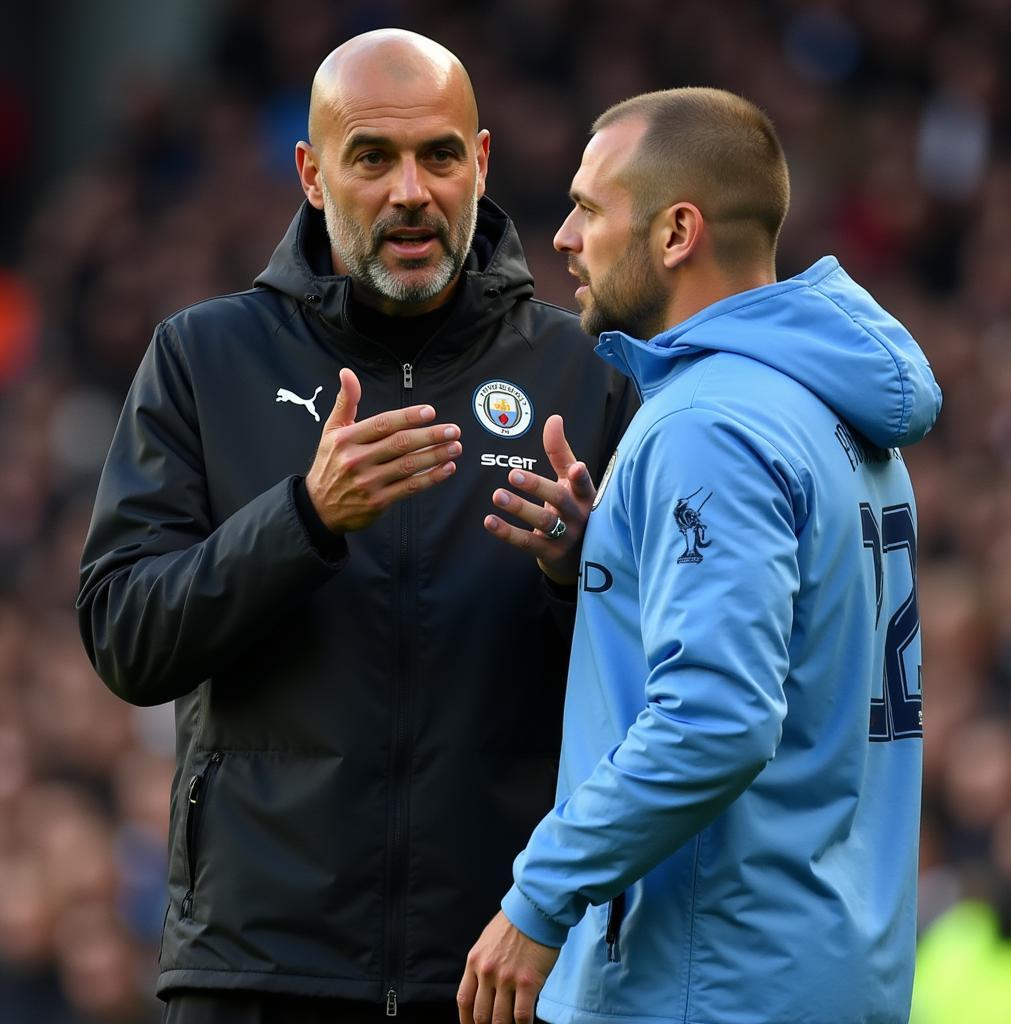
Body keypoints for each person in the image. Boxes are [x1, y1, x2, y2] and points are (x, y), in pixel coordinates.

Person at [77, 29, 633, 1024]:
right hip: (257, 969)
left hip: (501, 969)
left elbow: (652, 688)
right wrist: (302, 518)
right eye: (372, 157)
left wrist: (573, 576)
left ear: (482, 163)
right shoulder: (204, 357)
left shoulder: (586, 373)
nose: (411, 191)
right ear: (311, 172)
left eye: (439, 155)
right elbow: (125, 635)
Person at [460, 87, 942, 1024]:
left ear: (677, 231)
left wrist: (539, 898)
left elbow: (716, 720)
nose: (562, 237)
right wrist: (603, 563)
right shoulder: (831, 409)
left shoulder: (707, 424)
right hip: (827, 971)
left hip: (708, 982)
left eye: (590, 209)